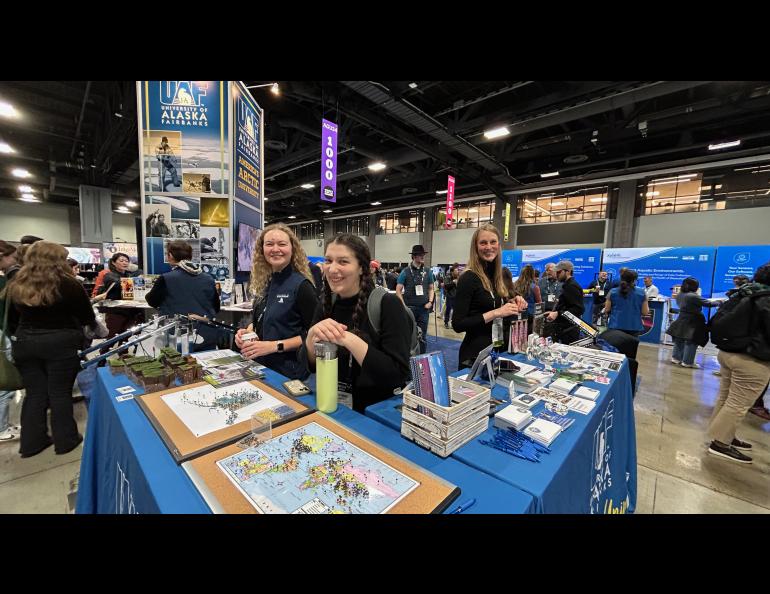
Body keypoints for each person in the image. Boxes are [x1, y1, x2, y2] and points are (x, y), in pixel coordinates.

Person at [6, 241, 96, 457]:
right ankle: (65, 440)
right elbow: (87, 317)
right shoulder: (68, 284)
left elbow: (10, 320)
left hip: (25, 343)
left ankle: (31, 444)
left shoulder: (17, 283)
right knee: (59, 393)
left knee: (34, 394)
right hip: (60, 343)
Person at [305, 234, 412, 412]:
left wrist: (348, 339)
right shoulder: (326, 303)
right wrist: (310, 340)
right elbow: (311, 365)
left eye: (343, 262)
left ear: (362, 268)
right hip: (331, 404)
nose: (332, 269)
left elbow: (396, 375)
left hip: (374, 415)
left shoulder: (387, 304)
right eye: (328, 261)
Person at [234, 224, 318, 380]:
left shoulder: (301, 286)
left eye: (282, 244)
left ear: (292, 249)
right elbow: (262, 319)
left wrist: (274, 346)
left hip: (290, 372)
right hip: (261, 367)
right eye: (269, 244)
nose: (275, 249)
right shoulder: (264, 283)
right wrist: (247, 332)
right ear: (262, 249)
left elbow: (313, 335)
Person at [706, 264, 770, 464]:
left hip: (727, 352)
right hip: (751, 359)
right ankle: (720, 443)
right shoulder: (765, 299)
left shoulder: (743, 294)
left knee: (726, 398)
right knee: (738, 403)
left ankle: (723, 435)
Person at [452, 224, 527, 368]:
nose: (488, 247)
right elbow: (458, 324)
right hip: (475, 356)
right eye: (483, 243)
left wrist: (513, 302)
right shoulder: (468, 278)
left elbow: (490, 301)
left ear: (499, 245)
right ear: (475, 247)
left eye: (493, 242)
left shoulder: (498, 275)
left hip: (497, 350)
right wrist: (497, 313)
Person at [145, 241, 221, 352]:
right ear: (190, 256)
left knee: (176, 367)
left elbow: (152, 301)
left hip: (176, 335)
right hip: (205, 333)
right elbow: (216, 307)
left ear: (170, 256)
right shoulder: (208, 278)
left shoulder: (166, 278)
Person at [665, 277, 720, 369]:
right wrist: (720, 301)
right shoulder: (692, 296)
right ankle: (687, 362)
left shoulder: (681, 294)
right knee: (692, 341)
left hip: (681, 319)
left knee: (679, 339)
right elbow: (709, 304)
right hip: (692, 321)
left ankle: (676, 358)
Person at [396, 245, 435, 354]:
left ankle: (421, 359)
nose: (423, 256)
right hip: (410, 309)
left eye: (423, 254)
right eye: (420, 254)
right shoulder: (405, 271)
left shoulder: (428, 271)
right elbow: (398, 290)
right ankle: (407, 358)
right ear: (413, 256)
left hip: (424, 309)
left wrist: (430, 302)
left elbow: (431, 288)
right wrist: (403, 305)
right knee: (408, 335)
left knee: (422, 336)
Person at [0, 240, 21, 442]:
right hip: (3, 334)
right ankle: (1, 428)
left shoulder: (7, 279)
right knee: (4, 381)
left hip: (6, 332)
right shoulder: (7, 281)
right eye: (13, 257)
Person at [100, 252, 143, 341]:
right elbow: (123, 284)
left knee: (126, 336)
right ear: (113, 262)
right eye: (121, 260)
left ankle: (123, 354)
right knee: (112, 337)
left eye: (127, 261)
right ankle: (104, 353)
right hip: (116, 311)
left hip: (130, 310)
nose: (125, 263)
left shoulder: (128, 274)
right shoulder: (109, 275)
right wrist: (135, 275)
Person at [545, 261, 585, 344]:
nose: (557, 274)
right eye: (556, 272)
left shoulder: (571, 286)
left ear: (568, 271)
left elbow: (578, 309)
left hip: (569, 330)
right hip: (564, 328)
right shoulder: (567, 285)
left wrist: (558, 313)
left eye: (559, 272)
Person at [604, 269, 649, 336]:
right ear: (634, 280)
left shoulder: (612, 291)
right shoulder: (642, 292)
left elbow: (607, 309)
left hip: (615, 325)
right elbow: (645, 312)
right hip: (634, 327)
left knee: (614, 346)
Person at [513, 264, 542, 334]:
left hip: (517, 314)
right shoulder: (535, 287)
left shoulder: (514, 285)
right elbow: (539, 304)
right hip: (530, 317)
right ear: (532, 274)